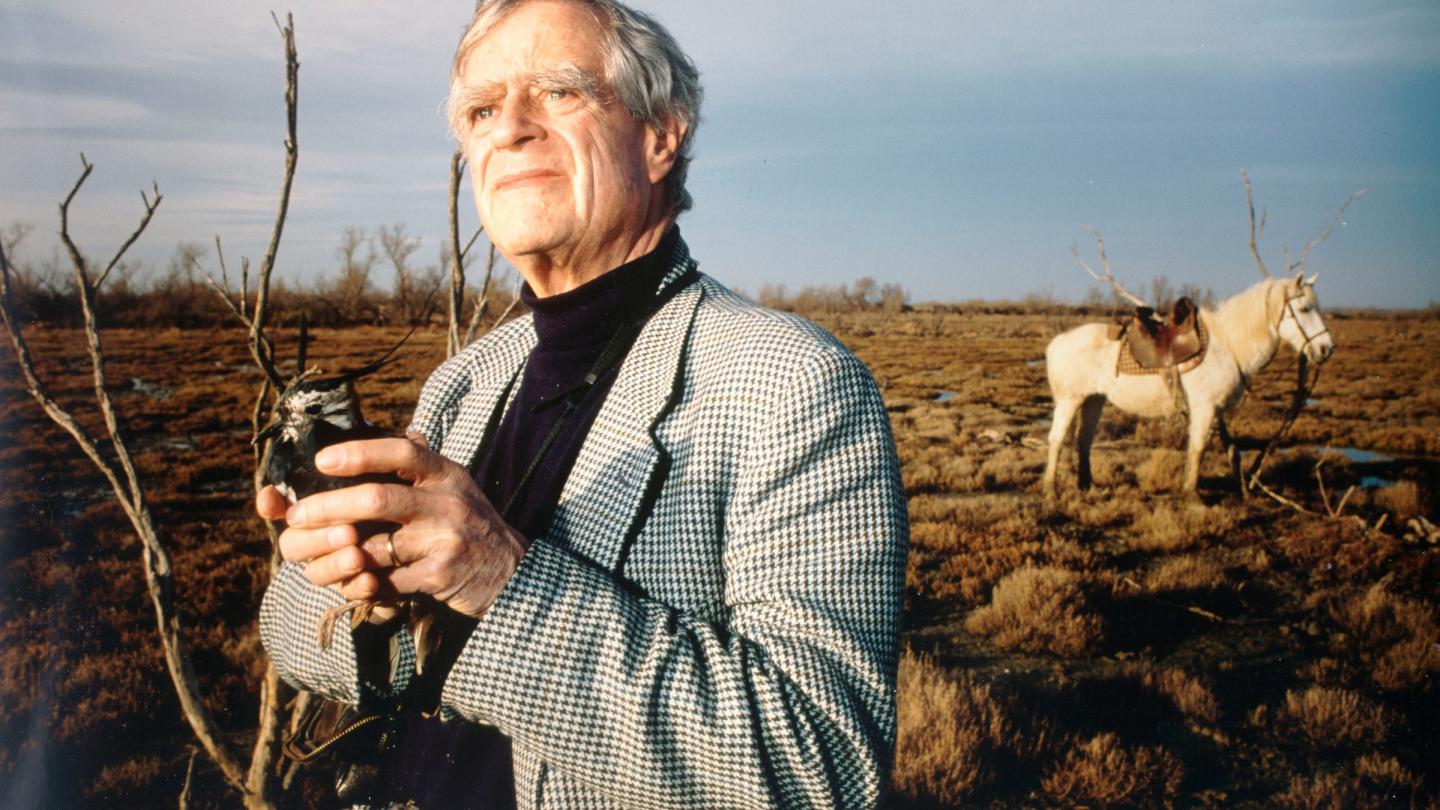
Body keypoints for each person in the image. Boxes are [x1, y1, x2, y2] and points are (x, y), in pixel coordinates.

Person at [257, 0, 908, 807]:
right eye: (482, 110)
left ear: (661, 135)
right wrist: (373, 595)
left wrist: (501, 581)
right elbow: (290, 632)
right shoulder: (467, 379)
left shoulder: (790, 381)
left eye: (559, 93)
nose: (510, 129)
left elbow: (823, 768)